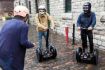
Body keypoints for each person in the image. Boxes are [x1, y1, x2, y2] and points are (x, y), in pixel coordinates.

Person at [0, 5, 35, 70]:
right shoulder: (24, 25)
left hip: (2, 54)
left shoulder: (7, 23)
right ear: (26, 16)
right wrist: (32, 44)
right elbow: (23, 42)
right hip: (12, 57)